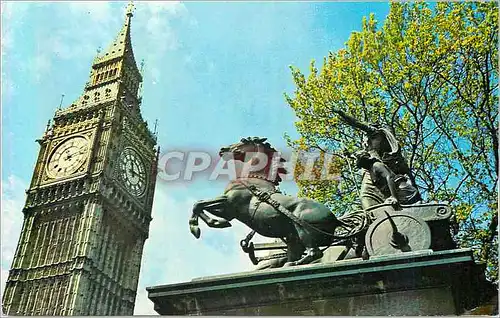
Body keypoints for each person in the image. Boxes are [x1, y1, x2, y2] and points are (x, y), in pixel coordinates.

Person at [333, 109, 421, 209]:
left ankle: (384, 207)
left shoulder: (375, 133)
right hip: (371, 169)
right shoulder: (370, 146)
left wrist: (342, 114)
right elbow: (362, 156)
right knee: (366, 194)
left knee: (366, 193)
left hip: (376, 166)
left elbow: (357, 123)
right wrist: (350, 155)